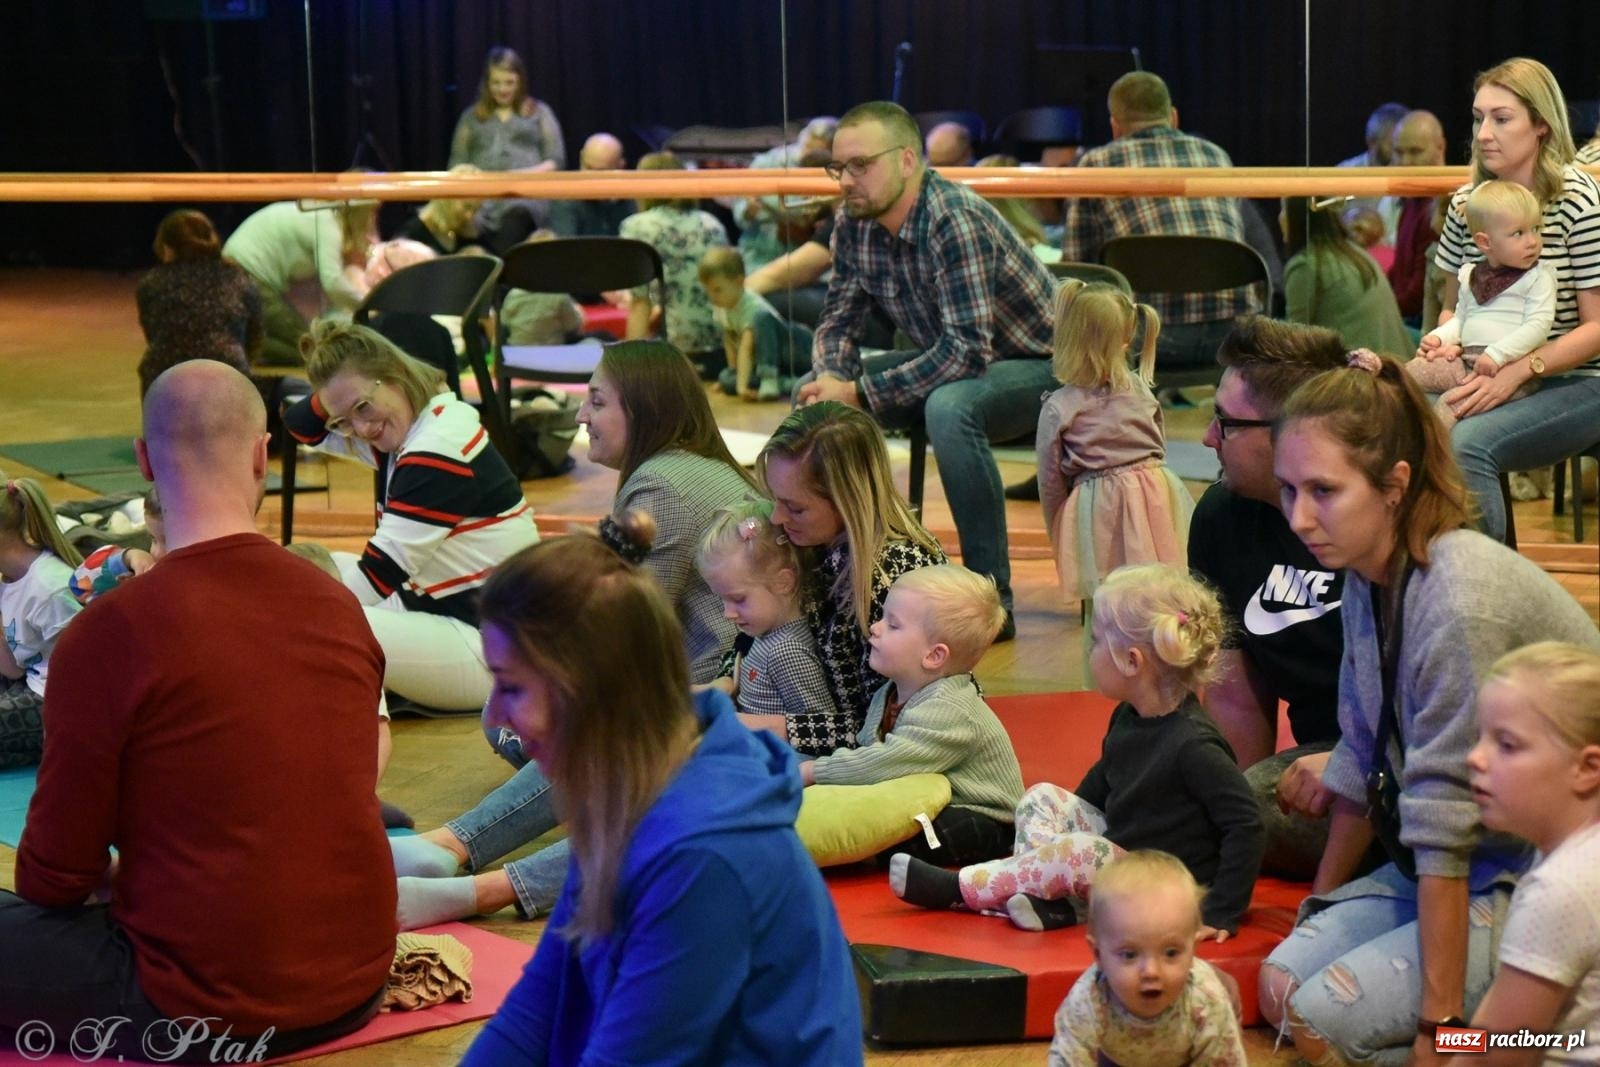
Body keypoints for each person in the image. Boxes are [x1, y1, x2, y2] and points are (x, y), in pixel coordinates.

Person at [0, 362, 395, 1062]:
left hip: (199, 1004)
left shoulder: (111, 629)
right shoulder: (336, 603)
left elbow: (52, 878)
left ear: (145, 460)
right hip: (356, 976)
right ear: (260, 455)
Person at [1258, 350, 1600, 1065]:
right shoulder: (1365, 569)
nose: (1298, 517)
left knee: (1327, 1021)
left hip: (1538, 868)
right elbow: (1361, 748)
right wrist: (1319, 906)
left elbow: (1445, 819)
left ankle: (1519, 1040)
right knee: (1283, 983)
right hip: (1464, 857)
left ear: (1394, 486)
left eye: (1322, 490)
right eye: (1288, 490)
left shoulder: (1454, 595)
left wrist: (1436, 1023)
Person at [388, 342, 755, 928]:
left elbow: (615, 631)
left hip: (715, 698)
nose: (581, 416)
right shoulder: (692, 468)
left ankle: (459, 857)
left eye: (596, 400)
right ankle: (450, 849)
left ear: (643, 408)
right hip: (715, 690)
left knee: (583, 729)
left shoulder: (661, 481)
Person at [457, 536, 861, 1065]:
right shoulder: (627, 788)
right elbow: (539, 1009)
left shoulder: (703, 855)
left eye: (511, 688)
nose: (494, 718)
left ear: (588, 690)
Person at [892, 564, 1263, 938]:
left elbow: (1246, 822)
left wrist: (1219, 912)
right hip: (1123, 856)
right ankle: (1047, 898)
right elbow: (1105, 780)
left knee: (1079, 852)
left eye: (1097, 641)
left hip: (1164, 886)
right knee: (1041, 798)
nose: (1090, 651)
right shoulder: (1129, 716)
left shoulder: (1194, 746)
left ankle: (963, 890)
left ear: (1132, 662)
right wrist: (1063, 827)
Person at [802, 100, 1057, 632]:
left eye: (859, 165)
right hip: (962, 359)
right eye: (837, 167)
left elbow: (966, 352)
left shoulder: (952, 218)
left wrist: (860, 393)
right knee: (811, 396)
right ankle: (845, 579)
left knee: (950, 407)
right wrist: (832, 381)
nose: (846, 180)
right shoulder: (852, 224)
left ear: (907, 161)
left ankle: (992, 602)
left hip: (1045, 367)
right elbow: (838, 324)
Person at [283, 321, 539, 711]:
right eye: (344, 420)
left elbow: (374, 579)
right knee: (311, 573)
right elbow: (301, 425)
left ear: (396, 375)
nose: (361, 428)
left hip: (497, 651)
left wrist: (271, 615)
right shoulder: (417, 423)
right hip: (444, 609)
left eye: (363, 407)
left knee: (325, 622)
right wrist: (338, 386)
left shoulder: (434, 450)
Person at [1188, 318, 1350, 880]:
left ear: (1290, 432)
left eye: (1225, 423)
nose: (1208, 437)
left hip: (1430, 761)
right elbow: (1235, 695)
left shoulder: (1380, 522)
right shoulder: (1220, 517)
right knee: (1181, 799)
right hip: (1327, 760)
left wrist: (1357, 766)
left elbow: (1451, 719)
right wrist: (1228, 807)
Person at [1433, 57, 1600, 544]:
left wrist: (1517, 370)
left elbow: (1595, 329)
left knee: (1467, 445)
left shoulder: (1579, 202)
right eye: (1478, 117)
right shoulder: (1468, 203)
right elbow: (1453, 307)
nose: (1484, 132)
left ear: (1541, 127)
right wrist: (1444, 341)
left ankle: (1488, 595)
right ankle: (1424, 583)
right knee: (1390, 423)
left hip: (1577, 378)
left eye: (1501, 119)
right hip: (1482, 366)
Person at [800, 564, 1025, 866]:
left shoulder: (950, 709)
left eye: (893, 625)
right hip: (927, 800)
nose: (875, 628)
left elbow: (886, 762)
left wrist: (816, 771)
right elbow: (871, 755)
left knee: (924, 834)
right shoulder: (888, 693)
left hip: (984, 816)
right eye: (882, 618)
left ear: (933, 656)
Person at [757, 401, 947, 736]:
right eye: (775, 499)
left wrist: (776, 727)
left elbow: (891, 729)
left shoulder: (893, 581)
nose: (776, 518)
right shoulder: (815, 543)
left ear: (847, 501)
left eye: (795, 508)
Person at [1062, 71, 1261, 374]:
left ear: (1115, 126)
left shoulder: (1095, 164)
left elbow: (1078, 265)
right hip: (1236, 334)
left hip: (1148, 338)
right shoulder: (1215, 155)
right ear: (1173, 117)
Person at [1467, 643, 1600, 1063]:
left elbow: (1506, 1050)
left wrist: (1446, 1046)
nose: (1474, 757)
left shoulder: (1558, 890)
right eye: (1480, 737)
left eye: (1506, 745)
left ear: (1586, 768)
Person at [1037, 280, 1193, 630]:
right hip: (1158, 496)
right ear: (1126, 339)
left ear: (1068, 335)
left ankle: (1105, 678)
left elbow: (1050, 482)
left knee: (1106, 609)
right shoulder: (1141, 389)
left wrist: (1060, 531)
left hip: (1098, 508)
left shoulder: (1059, 407)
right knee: (1160, 597)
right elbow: (1158, 445)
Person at [1047, 851, 1249, 1067]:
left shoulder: (1207, 1000)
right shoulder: (1088, 999)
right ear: (1098, 956)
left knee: (1225, 991)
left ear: (1193, 951)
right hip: (1117, 1054)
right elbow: (1067, 1060)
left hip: (1188, 1053)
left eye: (1171, 953)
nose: (1151, 971)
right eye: (1129, 954)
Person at [695, 501, 844, 757]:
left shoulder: (787, 650)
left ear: (784, 582)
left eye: (738, 599)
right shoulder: (764, 633)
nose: (727, 613)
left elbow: (820, 734)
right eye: (723, 600)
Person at [1410, 180, 1555, 429]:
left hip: (1510, 371)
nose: (1532, 241)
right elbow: (1462, 319)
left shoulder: (1538, 276)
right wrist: (1440, 338)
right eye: (1519, 233)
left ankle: (1433, 461)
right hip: (1465, 362)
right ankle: (1370, 376)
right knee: (1409, 374)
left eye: (1536, 229)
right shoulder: (1471, 275)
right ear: (1485, 242)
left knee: (1449, 403)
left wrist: (1497, 354)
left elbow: (1538, 326)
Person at [221, 198, 378, 368]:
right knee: (307, 346)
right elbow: (332, 283)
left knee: (296, 341)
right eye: (372, 214)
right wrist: (366, 305)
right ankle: (250, 349)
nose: (372, 221)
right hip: (249, 271)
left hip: (239, 266)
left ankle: (251, 348)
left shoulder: (321, 217)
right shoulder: (328, 225)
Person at [448, 46, 566, 255]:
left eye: (509, 83)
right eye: (496, 83)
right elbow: (457, 163)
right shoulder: (471, 117)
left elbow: (555, 160)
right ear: (487, 83)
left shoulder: (539, 113)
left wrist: (520, 177)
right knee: (465, 223)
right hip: (480, 200)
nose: (503, 89)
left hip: (524, 196)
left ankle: (497, 277)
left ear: (520, 82)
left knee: (517, 216)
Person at [619, 151, 731, 372]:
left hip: (671, 356)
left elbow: (640, 303)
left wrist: (629, 371)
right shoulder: (713, 224)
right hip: (723, 352)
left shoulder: (636, 226)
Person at [0, 473, 81, 768]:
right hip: (28, 683)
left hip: (58, 703)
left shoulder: (51, 588)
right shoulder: (8, 579)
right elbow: (10, 669)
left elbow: (86, 684)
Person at [135, 209, 260, 398]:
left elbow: (154, 334)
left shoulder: (151, 283)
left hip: (166, 378)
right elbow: (255, 335)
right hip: (228, 373)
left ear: (167, 248)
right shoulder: (239, 278)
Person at [1283, 196, 1414, 357]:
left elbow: (1294, 345)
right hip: (1397, 368)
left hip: (1365, 375)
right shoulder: (1355, 252)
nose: (1280, 217)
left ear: (1295, 217)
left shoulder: (1306, 265)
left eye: (1283, 210)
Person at [699, 246, 812, 400]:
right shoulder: (721, 307)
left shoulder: (751, 306)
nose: (712, 297)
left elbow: (746, 349)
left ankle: (771, 379)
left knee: (761, 318)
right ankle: (786, 383)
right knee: (726, 378)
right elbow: (730, 341)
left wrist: (741, 387)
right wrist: (733, 373)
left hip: (796, 349)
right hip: (773, 364)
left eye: (717, 290)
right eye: (708, 291)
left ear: (739, 282)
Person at [734, 116, 838, 271]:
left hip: (809, 264)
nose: (811, 155)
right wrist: (749, 211)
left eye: (820, 151)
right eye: (808, 147)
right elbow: (740, 212)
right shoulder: (767, 163)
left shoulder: (833, 170)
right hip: (758, 257)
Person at [1386, 111, 1449, 320]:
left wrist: (1382, 310)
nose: (1404, 161)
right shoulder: (1413, 200)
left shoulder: (1442, 207)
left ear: (1440, 147)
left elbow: (1419, 295)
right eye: (1398, 151)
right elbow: (1398, 272)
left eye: (1415, 152)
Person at [1338, 101, 1412, 245]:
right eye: (1393, 146)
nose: (1402, 156)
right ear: (1372, 142)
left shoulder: (1409, 176)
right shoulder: (1344, 175)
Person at [501, 229, 585, 345]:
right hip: (549, 356)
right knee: (601, 337)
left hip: (517, 355)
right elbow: (573, 326)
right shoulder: (558, 296)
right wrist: (580, 315)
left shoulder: (513, 294)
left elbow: (505, 322)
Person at [547, 132, 636, 238]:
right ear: (581, 158)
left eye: (600, 172)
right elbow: (565, 250)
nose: (591, 177)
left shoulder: (633, 200)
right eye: (588, 168)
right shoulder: (566, 201)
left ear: (620, 167)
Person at [392, 163, 484, 254]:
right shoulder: (411, 236)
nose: (469, 216)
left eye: (476, 210)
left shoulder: (461, 235)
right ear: (448, 197)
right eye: (466, 206)